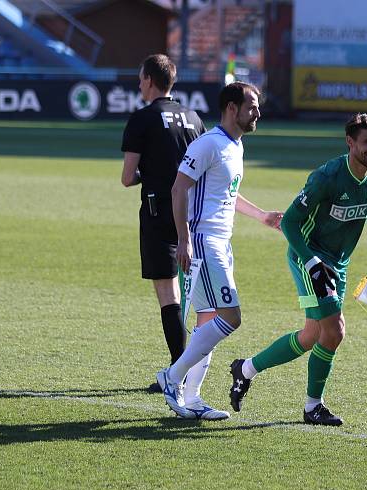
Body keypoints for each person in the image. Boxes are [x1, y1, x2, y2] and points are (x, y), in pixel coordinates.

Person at [228, 113, 367, 426]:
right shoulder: (327, 177)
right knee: (335, 330)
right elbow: (290, 222)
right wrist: (312, 262)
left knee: (311, 336)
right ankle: (312, 407)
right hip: (308, 255)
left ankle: (245, 369)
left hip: (338, 262)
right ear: (350, 142)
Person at [156, 81, 283, 420]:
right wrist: (184, 239)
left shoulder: (233, 146)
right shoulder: (208, 143)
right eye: (252, 106)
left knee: (209, 319)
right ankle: (172, 376)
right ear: (231, 108)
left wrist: (262, 216)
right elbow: (178, 188)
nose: (257, 112)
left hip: (221, 242)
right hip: (203, 241)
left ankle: (194, 398)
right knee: (231, 317)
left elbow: (226, 193)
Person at [120, 54, 206, 393]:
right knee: (197, 296)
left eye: (141, 79)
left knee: (168, 295)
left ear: (151, 81)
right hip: (193, 213)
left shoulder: (142, 118)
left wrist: (151, 174)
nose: (139, 85)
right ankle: (185, 370)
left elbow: (128, 177)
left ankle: (178, 372)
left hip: (158, 214)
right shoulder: (193, 118)